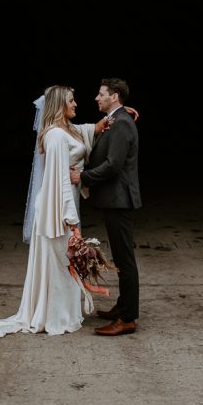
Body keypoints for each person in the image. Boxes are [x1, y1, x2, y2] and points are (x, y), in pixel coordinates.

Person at [0, 85, 102, 337]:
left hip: (65, 205)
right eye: (71, 101)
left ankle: (64, 311)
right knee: (61, 261)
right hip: (57, 207)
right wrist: (70, 219)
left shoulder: (68, 130)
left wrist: (110, 119)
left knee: (65, 260)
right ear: (59, 105)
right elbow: (61, 179)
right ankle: (55, 316)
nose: (76, 104)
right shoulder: (54, 136)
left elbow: (86, 131)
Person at [70, 78, 141, 336]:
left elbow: (113, 165)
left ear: (115, 96)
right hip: (115, 200)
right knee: (122, 259)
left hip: (119, 200)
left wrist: (83, 177)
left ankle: (128, 319)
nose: (96, 98)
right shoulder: (117, 120)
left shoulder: (121, 123)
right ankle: (122, 307)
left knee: (125, 260)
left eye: (101, 94)